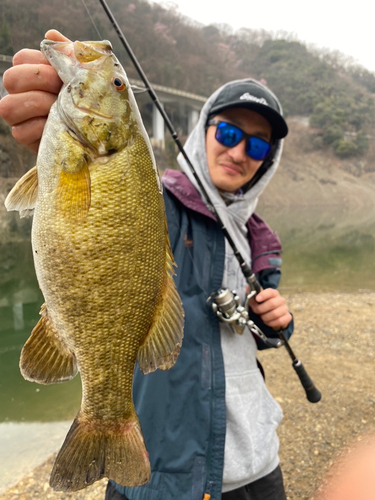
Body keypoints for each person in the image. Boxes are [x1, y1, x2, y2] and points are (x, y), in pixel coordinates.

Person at [0, 30, 294, 500]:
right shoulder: (161, 201)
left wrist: (275, 325)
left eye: (257, 146)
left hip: (258, 463)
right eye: (231, 133)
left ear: (268, 160)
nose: (240, 153)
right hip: (164, 471)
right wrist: (53, 130)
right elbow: (99, 204)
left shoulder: (260, 236)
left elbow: (253, 332)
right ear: (203, 131)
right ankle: (107, 420)